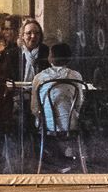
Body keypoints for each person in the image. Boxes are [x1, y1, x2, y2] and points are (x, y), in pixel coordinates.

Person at [31, 43, 87, 171]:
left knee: (32, 129)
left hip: (47, 125)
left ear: (50, 58)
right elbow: (79, 103)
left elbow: (34, 107)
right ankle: (66, 161)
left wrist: (41, 115)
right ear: (69, 58)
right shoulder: (76, 76)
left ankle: (51, 163)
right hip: (71, 124)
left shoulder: (39, 77)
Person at [12, 17, 50, 84]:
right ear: (22, 35)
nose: (33, 36)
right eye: (29, 33)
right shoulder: (13, 54)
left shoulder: (47, 52)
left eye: (37, 33)